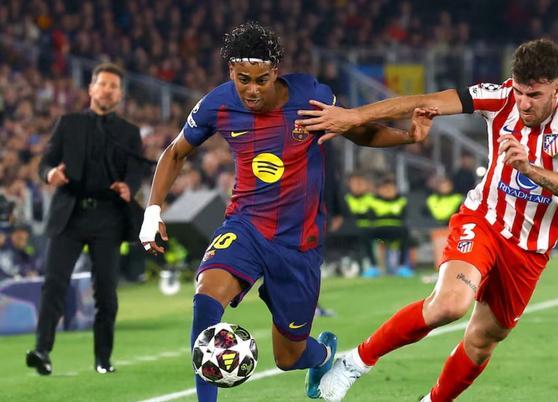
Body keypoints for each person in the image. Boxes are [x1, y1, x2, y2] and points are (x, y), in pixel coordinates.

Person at [137, 22, 435, 402]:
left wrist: (408, 136)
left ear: (276, 72)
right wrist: (153, 211)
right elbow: (176, 151)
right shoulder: (217, 104)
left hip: (298, 242)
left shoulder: (310, 96)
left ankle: (322, 355)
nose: (252, 90)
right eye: (243, 79)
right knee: (206, 300)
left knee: (288, 356)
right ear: (231, 71)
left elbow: (358, 131)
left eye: (261, 80)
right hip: (245, 225)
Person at [298, 38, 558, 401]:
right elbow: (426, 101)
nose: (523, 103)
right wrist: (354, 116)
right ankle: (354, 363)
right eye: (519, 91)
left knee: (483, 340)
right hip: (484, 221)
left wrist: (528, 168)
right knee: (450, 304)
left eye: (534, 95)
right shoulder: (499, 98)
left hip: (530, 248)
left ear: (557, 90)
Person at [26, 63, 144, 376]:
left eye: (113, 86)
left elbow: (137, 170)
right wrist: (50, 173)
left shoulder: (130, 133)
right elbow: (45, 162)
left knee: (106, 292)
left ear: (120, 94)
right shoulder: (68, 123)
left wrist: (129, 186)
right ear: (91, 88)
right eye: (102, 84)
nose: (107, 90)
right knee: (54, 283)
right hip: (69, 214)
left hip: (108, 218)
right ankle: (41, 351)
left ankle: (103, 359)